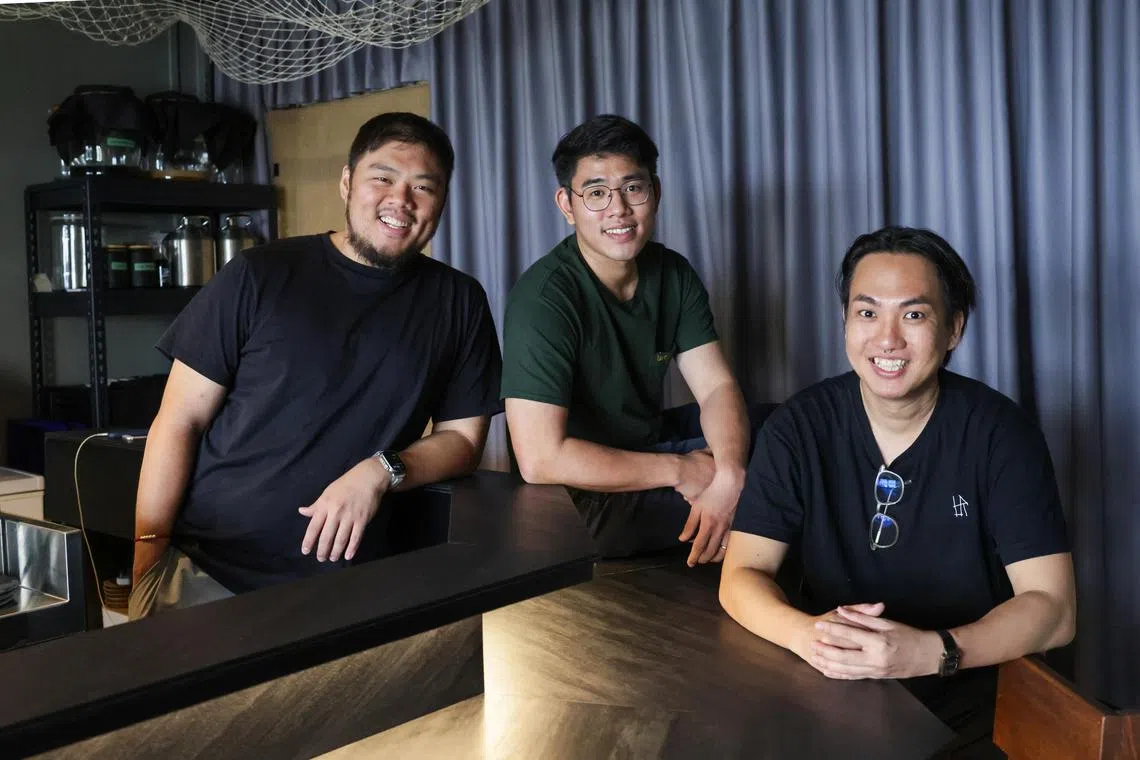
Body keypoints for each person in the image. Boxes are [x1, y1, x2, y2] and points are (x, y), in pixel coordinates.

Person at [128, 112, 503, 617]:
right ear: (347, 183)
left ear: (441, 201)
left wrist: (380, 470)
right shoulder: (258, 275)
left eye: (423, 186)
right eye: (382, 178)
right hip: (208, 574)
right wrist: (147, 558)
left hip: (353, 590)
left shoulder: (458, 301)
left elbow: (463, 440)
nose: (401, 200)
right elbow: (178, 421)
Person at [719, 226, 1076, 755]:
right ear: (845, 322)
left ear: (953, 329)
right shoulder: (797, 427)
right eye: (867, 312)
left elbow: (1055, 610)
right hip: (830, 688)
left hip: (974, 699)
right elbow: (740, 577)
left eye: (913, 315)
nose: (887, 339)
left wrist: (932, 652)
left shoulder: (1001, 434)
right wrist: (808, 636)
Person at [502, 114, 769, 567]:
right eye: (596, 193)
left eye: (633, 187)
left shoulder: (672, 272)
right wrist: (683, 470)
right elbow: (540, 459)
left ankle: (733, 510)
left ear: (655, 192)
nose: (619, 209)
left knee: (783, 428)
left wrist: (728, 474)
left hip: (644, 445)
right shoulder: (543, 298)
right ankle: (743, 527)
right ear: (566, 204)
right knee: (774, 489)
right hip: (577, 498)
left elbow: (716, 387)